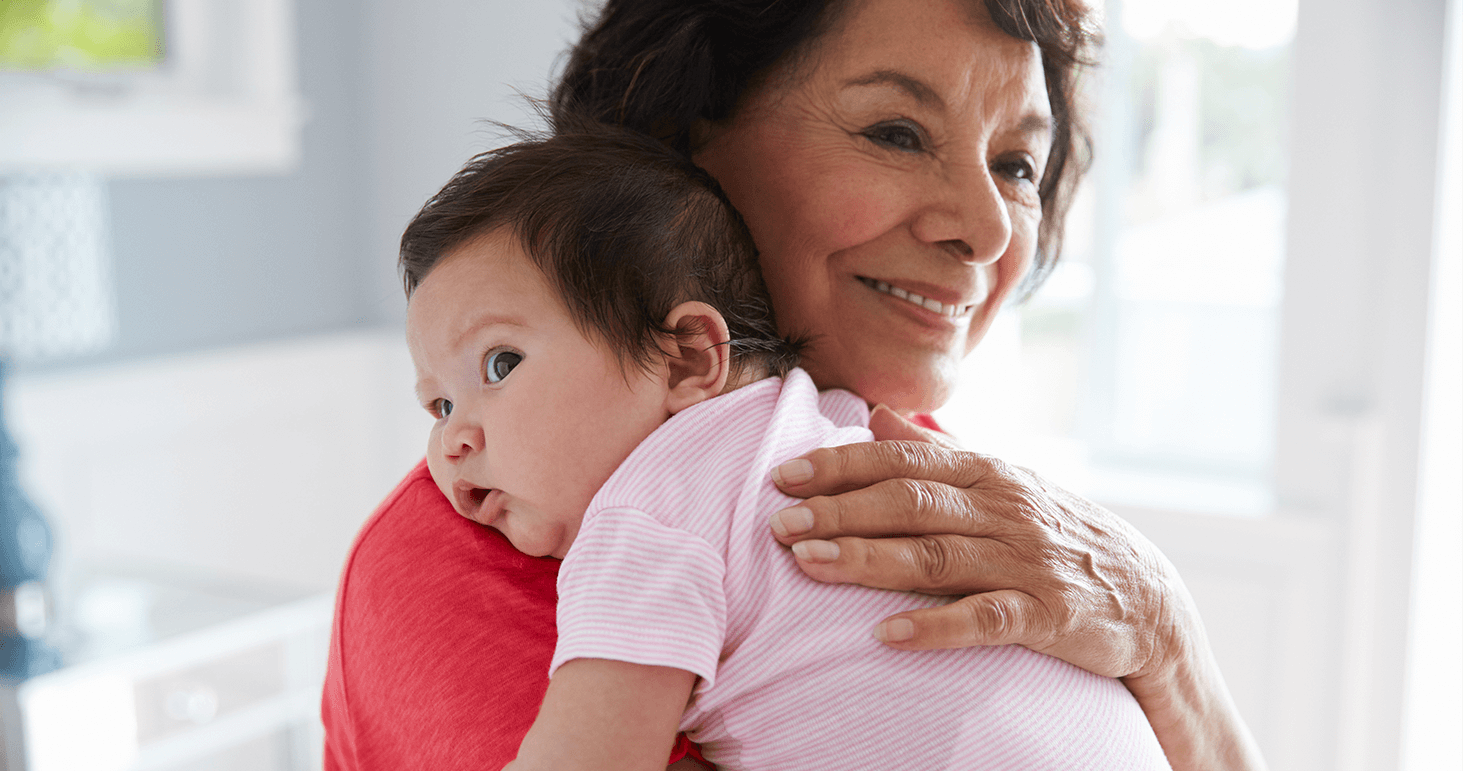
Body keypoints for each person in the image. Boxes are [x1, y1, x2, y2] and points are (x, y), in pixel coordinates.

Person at [322, 0, 1266, 769]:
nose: (983, 229)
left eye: (1017, 164)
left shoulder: (872, 445)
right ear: (686, 135)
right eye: (896, 132)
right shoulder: (483, 551)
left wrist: (1166, 634)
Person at [400, 127, 1171, 769]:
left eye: (500, 365)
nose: (452, 439)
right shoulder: (827, 417)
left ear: (687, 358)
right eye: (438, 403)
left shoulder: (643, 519)